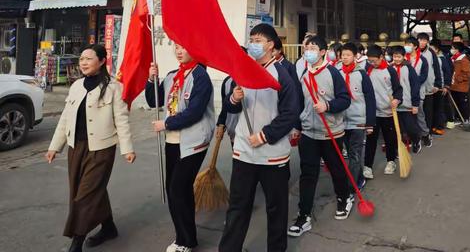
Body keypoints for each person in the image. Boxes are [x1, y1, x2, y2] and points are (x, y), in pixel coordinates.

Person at [46, 44, 135, 252]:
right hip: (75, 148)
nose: (83, 63)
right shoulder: (76, 86)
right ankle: (109, 227)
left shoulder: (113, 87)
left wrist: (127, 148)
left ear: (102, 61)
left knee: (84, 195)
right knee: (89, 190)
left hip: (102, 149)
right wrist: (54, 147)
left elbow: (121, 120)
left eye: (88, 58)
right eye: (81, 59)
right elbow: (66, 118)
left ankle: (76, 241)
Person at [219, 24, 299, 252]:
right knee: (237, 207)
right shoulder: (243, 71)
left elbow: (290, 113)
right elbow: (230, 109)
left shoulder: (281, 74)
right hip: (243, 152)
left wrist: (265, 135)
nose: (253, 44)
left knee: (276, 209)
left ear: (271, 45)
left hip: (272, 155)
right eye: (251, 39)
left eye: (258, 40)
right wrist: (234, 99)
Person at [146, 44, 215, 252]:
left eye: (184, 47)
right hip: (173, 142)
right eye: (176, 47)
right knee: (177, 190)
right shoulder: (171, 75)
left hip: (193, 142)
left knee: (177, 189)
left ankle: (184, 241)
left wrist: (166, 124)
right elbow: (153, 101)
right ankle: (186, 237)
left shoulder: (200, 76)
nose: (179, 51)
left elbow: (195, 112)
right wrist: (151, 79)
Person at [288, 35, 352, 239]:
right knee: (308, 174)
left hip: (331, 131)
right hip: (308, 133)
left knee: (336, 168)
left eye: (313, 47)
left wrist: (328, 106)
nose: (309, 51)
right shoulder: (304, 73)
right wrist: (297, 125)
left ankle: (344, 197)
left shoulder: (333, 73)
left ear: (323, 52)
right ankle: (304, 215)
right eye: (307, 47)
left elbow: (345, 99)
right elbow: (299, 102)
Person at [337, 43, 376, 191]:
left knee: (354, 153)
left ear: (355, 56)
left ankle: (351, 186)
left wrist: (370, 122)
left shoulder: (362, 74)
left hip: (358, 120)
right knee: (350, 153)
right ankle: (359, 178)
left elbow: (370, 99)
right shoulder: (336, 72)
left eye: (348, 55)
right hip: (341, 120)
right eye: (343, 55)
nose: (345, 58)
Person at [364, 45, 402, 179]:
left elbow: (398, 89)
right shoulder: (367, 70)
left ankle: (391, 162)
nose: (372, 63)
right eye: (370, 61)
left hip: (388, 112)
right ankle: (367, 166)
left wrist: (397, 100)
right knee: (371, 140)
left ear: (381, 57)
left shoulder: (390, 71)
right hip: (372, 113)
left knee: (389, 139)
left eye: (374, 60)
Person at [391, 45, 422, 154]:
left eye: (399, 57)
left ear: (404, 56)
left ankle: (416, 140)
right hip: (395, 105)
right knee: (399, 128)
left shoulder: (409, 69)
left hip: (408, 104)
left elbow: (415, 87)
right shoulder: (390, 68)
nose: (396, 59)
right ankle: (403, 145)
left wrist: (415, 104)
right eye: (394, 57)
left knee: (410, 127)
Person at [405, 37, 431, 147]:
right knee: (407, 117)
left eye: (409, 44)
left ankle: (425, 134)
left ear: (415, 46)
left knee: (419, 115)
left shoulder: (422, 60)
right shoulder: (403, 59)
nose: (407, 47)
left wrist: (413, 82)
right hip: (405, 93)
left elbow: (424, 76)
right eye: (406, 44)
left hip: (418, 92)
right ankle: (411, 138)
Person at [417, 33, 442, 138]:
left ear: (427, 42)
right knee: (418, 112)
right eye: (420, 40)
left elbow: (436, 68)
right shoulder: (413, 52)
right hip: (417, 87)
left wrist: (437, 84)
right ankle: (419, 132)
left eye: (424, 40)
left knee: (428, 111)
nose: (422, 42)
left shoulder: (431, 52)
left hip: (429, 87)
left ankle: (428, 132)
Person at [430, 39, 454, 132]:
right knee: (434, 107)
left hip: (441, 87)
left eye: (432, 49)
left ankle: (441, 126)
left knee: (441, 107)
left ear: (436, 49)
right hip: (433, 88)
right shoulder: (430, 59)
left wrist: (446, 86)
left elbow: (447, 73)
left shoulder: (442, 59)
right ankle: (434, 125)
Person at [449, 42, 470, 124]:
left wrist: (458, 78)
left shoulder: (463, 60)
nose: (451, 50)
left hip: (462, 87)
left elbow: (468, 74)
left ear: (457, 50)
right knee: (456, 103)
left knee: (463, 103)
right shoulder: (453, 59)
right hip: (454, 86)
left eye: (452, 48)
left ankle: (466, 118)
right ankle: (458, 118)